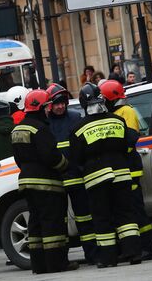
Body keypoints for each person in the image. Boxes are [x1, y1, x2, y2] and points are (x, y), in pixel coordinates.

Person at [69, 83, 142, 268]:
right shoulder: (117, 121)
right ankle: (133, 253)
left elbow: (76, 158)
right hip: (122, 174)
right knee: (126, 214)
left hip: (96, 179)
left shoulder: (78, 128)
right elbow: (127, 145)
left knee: (102, 217)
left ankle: (109, 259)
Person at [11, 89, 78, 274]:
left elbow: (18, 158)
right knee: (52, 223)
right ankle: (57, 264)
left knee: (35, 223)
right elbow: (51, 156)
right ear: (41, 107)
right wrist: (65, 165)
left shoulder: (18, 129)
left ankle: (39, 265)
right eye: (47, 106)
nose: (49, 110)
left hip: (26, 182)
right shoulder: (40, 129)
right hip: (46, 183)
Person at [99, 80, 152, 260]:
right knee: (124, 211)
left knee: (136, 208)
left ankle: (148, 246)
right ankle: (133, 247)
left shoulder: (127, 111)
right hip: (119, 168)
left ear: (110, 99)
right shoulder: (114, 113)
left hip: (129, 168)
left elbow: (130, 138)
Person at [46, 83, 97, 265]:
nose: (60, 107)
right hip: (57, 178)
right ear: (50, 105)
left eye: (63, 103)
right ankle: (63, 258)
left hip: (76, 176)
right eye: (57, 104)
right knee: (60, 221)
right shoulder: (46, 123)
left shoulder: (75, 118)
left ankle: (92, 254)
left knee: (84, 216)